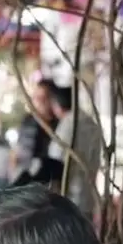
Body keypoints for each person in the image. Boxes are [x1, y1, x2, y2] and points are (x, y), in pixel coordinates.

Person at [45, 85, 102, 219]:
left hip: (69, 197)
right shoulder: (92, 124)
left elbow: (55, 160)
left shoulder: (66, 126)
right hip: (88, 196)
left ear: (56, 104)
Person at [10, 78, 58, 186]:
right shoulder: (27, 121)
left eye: (44, 97)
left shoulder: (58, 125)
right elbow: (17, 151)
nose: (40, 101)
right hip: (26, 180)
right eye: (37, 97)